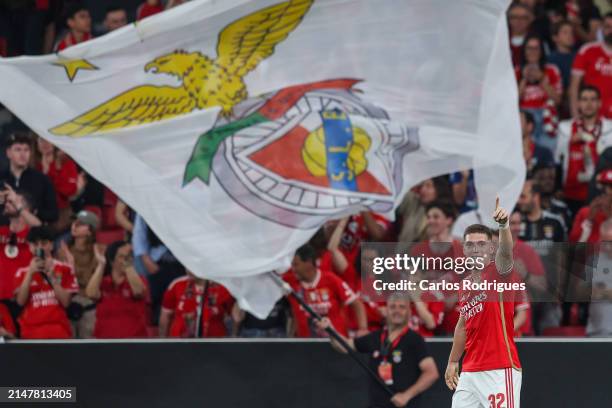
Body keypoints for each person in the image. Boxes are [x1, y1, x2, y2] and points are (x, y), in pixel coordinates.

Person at [445, 198, 524, 407]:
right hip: (470, 370)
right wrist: (453, 361)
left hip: (499, 367)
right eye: (470, 244)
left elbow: (507, 250)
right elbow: (462, 325)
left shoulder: (499, 272)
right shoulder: (465, 285)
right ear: (464, 249)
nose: (475, 249)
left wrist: (504, 224)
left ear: (491, 247)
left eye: (481, 244)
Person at [317, 293, 439, 408]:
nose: (397, 310)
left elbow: (431, 373)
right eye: (392, 307)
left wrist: (407, 395)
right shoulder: (375, 337)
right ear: (386, 310)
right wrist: (330, 330)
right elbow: (344, 346)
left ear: (409, 312)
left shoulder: (414, 340)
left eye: (402, 307)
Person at [284, 244, 368, 338]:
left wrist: (363, 329)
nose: (293, 269)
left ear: (308, 263)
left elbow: (357, 303)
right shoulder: (290, 283)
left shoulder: (331, 280)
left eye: (296, 265)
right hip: (306, 346)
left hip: (336, 344)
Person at [14, 226, 78, 339]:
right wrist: (30, 273)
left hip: (59, 330)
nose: (40, 247)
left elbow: (66, 302)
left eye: (44, 243)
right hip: (30, 332)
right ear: (29, 247)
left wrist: (52, 278)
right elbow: (20, 302)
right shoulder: (21, 272)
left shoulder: (65, 269)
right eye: (35, 244)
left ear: (52, 245)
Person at [556, 86, 612, 215]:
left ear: (599, 103)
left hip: (602, 194)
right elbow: (558, 160)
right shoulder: (565, 128)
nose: (589, 104)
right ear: (579, 103)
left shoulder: (610, 128)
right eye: (584, 99)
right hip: (571, 193)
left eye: (593, 100)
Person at [85, 241, 149, 338]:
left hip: (134, 344)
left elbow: (139, 292)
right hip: (104, 343)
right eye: (122, 257)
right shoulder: (103, 282)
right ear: (112, 261)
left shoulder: (139, 280)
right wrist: (101, 264)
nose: (126, 260)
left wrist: (128, 266)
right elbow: (91, 294)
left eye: (129, 257)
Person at [58, 210, 104, 339]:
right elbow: (60, 280)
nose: (74, 225)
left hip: (89, 305)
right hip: (68, 303)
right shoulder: (64, 251)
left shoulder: (98, 251)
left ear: (90, 231)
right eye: (74, 222)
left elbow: (91, 283)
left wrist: (71, 267)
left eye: (80, 224)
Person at [0, 189, 40, 325]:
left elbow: (39, 228)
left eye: (12, 201)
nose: (7, 203)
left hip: (25, 299)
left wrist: (19, 208)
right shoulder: (2, 231)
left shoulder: (33, 236)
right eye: (7, 201)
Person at [516, 35, 562, 151]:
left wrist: (542, 79)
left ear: (541, 51)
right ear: (524, 51)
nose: (533, 52)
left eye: (536, 48)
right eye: (529, 48)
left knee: (547, 155)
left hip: (546, 117)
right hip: (524, 119)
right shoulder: (516, 71)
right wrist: (524, 80)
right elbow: (511, 103)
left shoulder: (551, 70)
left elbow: (558, 100)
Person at [0, 132, 58, 225]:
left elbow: (53, 215)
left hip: (31, 233)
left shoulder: (42, 180)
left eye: (26, 150)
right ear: (8, 153)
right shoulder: (1, 178)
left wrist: (30, 209)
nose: (23, 154)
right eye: (18, 150)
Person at [159, 271, 235, 338]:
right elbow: (165, 317)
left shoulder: (223, 288)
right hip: (180, 344)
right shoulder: (177, 284)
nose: (188, 269)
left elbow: (233, 317)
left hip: (214, 345)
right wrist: (162, 344)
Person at [569, 12, 612, 119]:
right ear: (601, 28)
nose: (611, 30)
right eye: (608, 27)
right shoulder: (587, 50)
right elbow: (574, 87)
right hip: (592, 119)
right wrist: (576, 117)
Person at [34, 136, 78, 232]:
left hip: (61, 214)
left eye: (48, 139)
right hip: (37, 214)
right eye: (41, 140)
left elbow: (69, 190)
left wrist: (49, 173)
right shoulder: (32, 166)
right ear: (37, 144)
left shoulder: (66, 163)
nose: (45, 143)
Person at [584, 219, 612, 336]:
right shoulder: (593, 260)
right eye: (604, 241)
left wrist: (601, 292)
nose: (608, 247)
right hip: (597, 333)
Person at [548, 20, 577, 92]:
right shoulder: (549, 59)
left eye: (571, 32)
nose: (570, 35)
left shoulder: (579, 56)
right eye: (565, 32)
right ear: (555, 37)